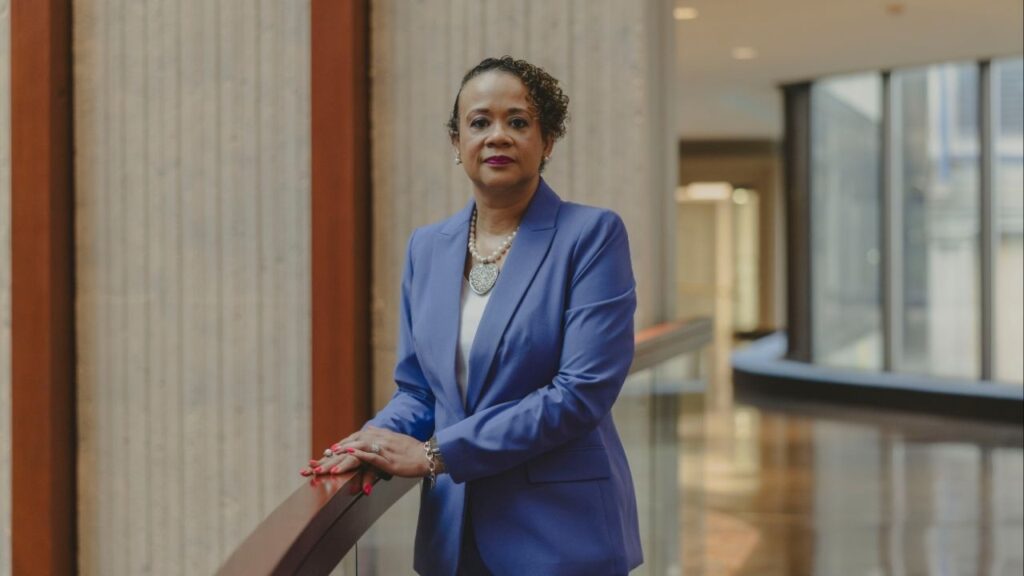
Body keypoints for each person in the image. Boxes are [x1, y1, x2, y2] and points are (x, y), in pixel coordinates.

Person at [301, 56, 642, 576]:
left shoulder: (590, 237)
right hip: (454, 538)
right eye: (479, 122)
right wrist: (367, 441)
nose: (497, 136)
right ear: (457, 144)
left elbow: (580, 393)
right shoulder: (427, 247)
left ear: (547, 141)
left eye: (518, 122)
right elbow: (419, 389)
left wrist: (437, 454)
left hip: (561, 538)